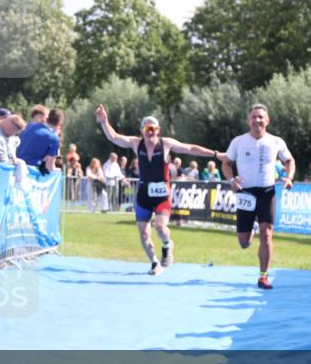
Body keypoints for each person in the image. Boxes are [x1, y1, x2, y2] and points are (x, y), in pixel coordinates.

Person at [95, 106, 221, 275]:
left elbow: (190, 148)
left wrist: (215, 154)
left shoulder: (166, 144)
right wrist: (104, 122)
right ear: (142, 131)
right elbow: (114, 137)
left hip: (162, 194)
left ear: (158, 130)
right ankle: (155, 263)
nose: (150, 132)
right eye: (147, 129)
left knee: (160, 227)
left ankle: (167, 245)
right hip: (143, 194)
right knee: (144, 234)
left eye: (153, 129)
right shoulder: (135, 143)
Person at [222, 104, 295, 290]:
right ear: (249, 121)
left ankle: (263, 276)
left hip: (267, 193)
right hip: (245, 193)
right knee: (244, 242)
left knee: (267, 233)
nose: (257, 120)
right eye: (254, 117)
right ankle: (252, 227)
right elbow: (226, 164)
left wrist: (289, 177)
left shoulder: (276, 141)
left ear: (267, 120)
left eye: (261, 117)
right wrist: (231, 181)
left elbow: (289, 160)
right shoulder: (238, 142)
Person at [17, 108, 63, 174]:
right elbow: (49, 166)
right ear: (59, 123)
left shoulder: (30, 125)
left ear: (47, 118)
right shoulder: (54, 139)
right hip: (31, 172)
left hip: (16, 167)